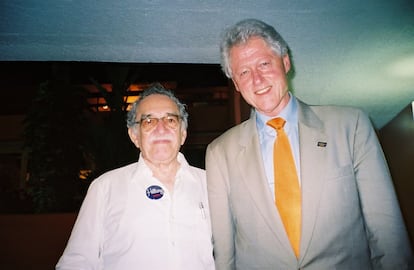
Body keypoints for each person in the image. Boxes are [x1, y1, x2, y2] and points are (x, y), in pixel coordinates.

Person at [206, 18, 413, 269]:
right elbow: (225, 254)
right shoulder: (220, 153)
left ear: (285, 62)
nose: (257, 80)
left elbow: (387, 232)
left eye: (264, 64)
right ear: (237, 85)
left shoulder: (350, 126)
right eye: (244, 72)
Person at [56, 83, 215, 270]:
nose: (161, 128)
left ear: (183, 133)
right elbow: (77, 261)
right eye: (149, 121)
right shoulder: (105, 187)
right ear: (134, 136)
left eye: (170, 120)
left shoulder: (211, 184)